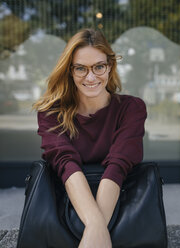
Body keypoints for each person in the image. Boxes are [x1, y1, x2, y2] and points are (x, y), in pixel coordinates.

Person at [33, 28, 147, 248]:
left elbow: (118, 165)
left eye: (99, 66)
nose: (91, 76)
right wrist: (95, 226)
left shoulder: (132, 108)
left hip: (120, 202)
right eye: (81, 69)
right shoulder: (50, 112)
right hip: (63, 207)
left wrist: (95, 231)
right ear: (70, 71)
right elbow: (66, 163)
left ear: (110, 66)